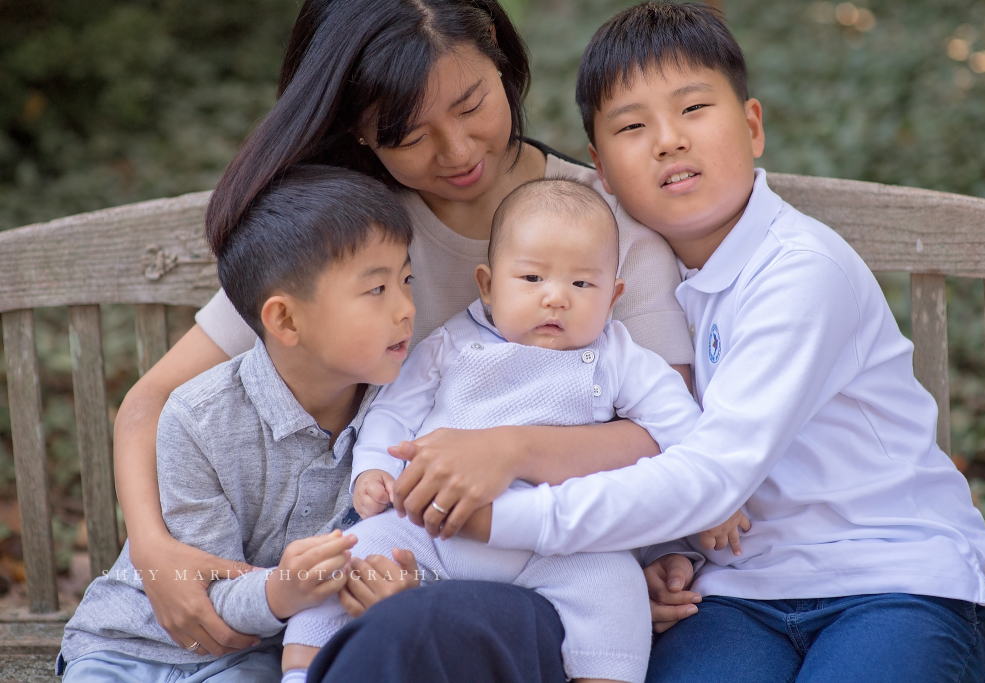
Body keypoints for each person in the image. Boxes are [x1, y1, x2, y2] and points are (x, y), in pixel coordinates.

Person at [113, 0, 699, 675]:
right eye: (408, 134)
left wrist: (507, 450)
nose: (456, 150)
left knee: (416, 628)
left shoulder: (603, 230)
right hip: (392, 558)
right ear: (361, 133)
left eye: (471, 103)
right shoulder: (351, 231)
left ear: (499, 59)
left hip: (543, 566)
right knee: (393, 621)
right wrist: (155, 550)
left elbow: (667, 441)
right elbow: (153, 397)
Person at [456, 3, 985, 683]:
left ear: (752, 126)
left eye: (694, 109)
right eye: (632, 126)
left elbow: (712, 473)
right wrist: (668, 557)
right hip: (740, 590)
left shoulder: (799, 271)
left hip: (891, 576)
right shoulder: (613, 289)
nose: (668, 140)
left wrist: (502, 518)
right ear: (602, 171)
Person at [282, 178, 708, 683]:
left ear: (613, 295)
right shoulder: (449, 345)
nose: (556, 298)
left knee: (618, 590)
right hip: (430, 529)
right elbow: (393, 413)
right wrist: (374, 470)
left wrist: (714, 503)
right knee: (345, 558)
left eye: (582, 284)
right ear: (487, 284)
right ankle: (298, 672)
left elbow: (681, 426)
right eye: (531, 278)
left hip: (562, 543)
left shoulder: (619, 356)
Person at [58, 167, 419, 682]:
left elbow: (413, 552)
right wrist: (280, 592)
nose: (406, 309)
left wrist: (400, 589)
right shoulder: (199, 418)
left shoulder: (404, 413)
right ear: (286, 321)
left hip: (252, 656)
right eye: (377, 289)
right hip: (131, 646)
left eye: (407, 279)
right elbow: (197, 586)